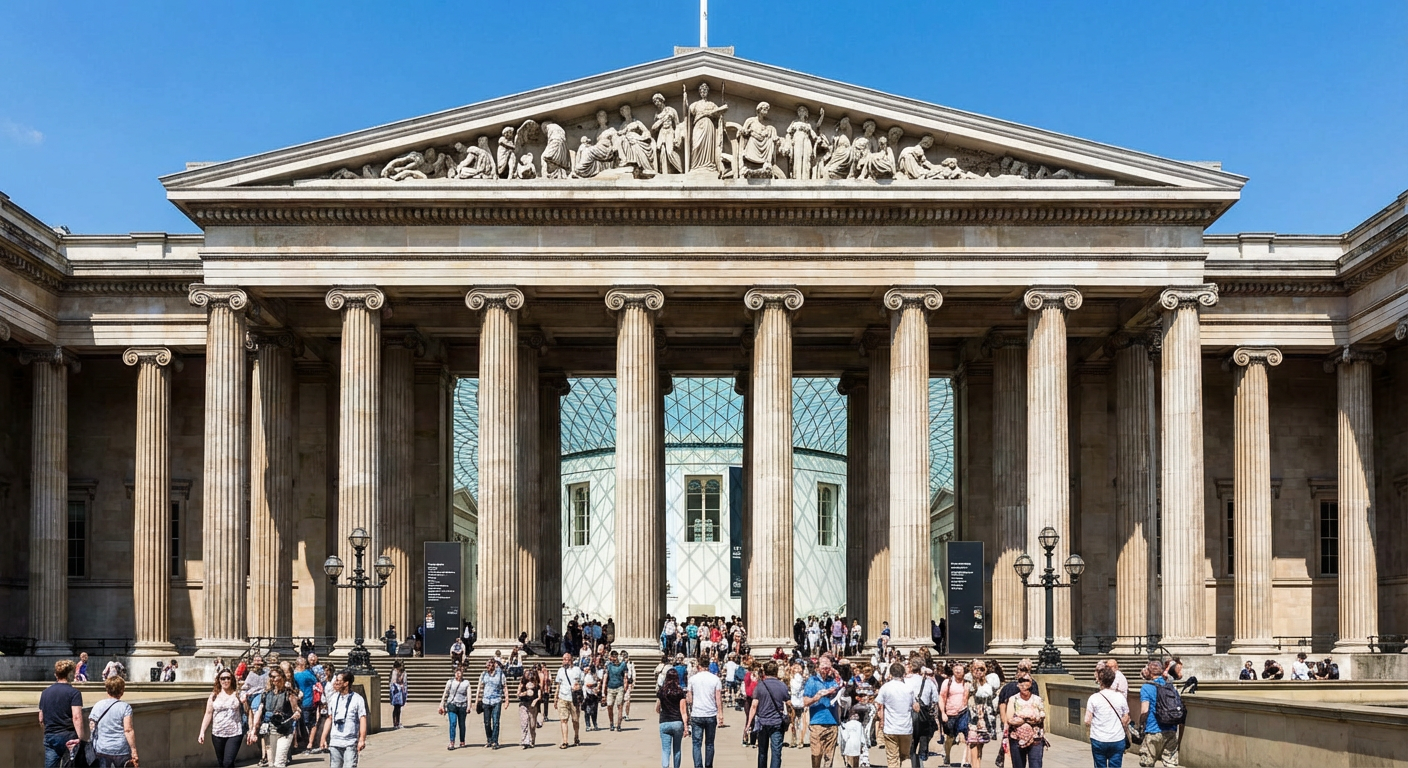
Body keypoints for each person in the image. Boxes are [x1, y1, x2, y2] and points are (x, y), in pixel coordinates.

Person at [249, 665, 300, 767]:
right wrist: (254, 729)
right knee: (271, 763)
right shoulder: (266, 693)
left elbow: (297, 710)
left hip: (284, 729)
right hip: (270, 729)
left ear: (281, 677)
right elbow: (260, 710)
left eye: (275, 676)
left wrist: (296, 714)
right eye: (271, 677)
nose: (273, 679)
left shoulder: (288, 693)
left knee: (279, 762)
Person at [747, 660, 792, 768]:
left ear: (765, 672)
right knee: (776, 753)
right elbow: (789, 704)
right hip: (777, 722)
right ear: (776, 672)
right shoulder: (782, 686)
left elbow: (754, 706)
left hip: (762, 722)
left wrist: (749, 723)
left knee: (762, 752)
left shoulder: (760, 686)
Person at [39, 659, 84, 768]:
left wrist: (48, 731)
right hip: (68, 735)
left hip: (50, 735)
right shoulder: (74, 693)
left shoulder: (45, 693)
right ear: (70, 674)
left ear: (56, 674)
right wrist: (81, 738)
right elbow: (76, 717)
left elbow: (41, 718)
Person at [197, 667, 244, 768]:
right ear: (219, 680)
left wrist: (245, 703)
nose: (225, 681)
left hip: (235, 733)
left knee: (228, 762)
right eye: (223, 678)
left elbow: (248, 711)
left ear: (232, 679)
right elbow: (208, 713)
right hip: (217, 733)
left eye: (228, 678)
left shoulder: (238, 694)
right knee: (222, 763)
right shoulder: (214, 696)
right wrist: (202, 732)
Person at [320, 671, 368, 768]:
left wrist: (362, 739)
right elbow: (330, 718)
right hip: (335, 742)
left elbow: (362, 719)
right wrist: (323, 738)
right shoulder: (333, 698)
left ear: (346, 683)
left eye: (338, 680)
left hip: (350, 743)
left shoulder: (357, 699)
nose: (336, 683)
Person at [1084, 665, 1130, 768]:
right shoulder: (1120, 697)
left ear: (1100, 681)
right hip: (1117, 738)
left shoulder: (1094, 698)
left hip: (1099, 738)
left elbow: (1087, 720)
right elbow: (1126, 717)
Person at [89, 674, 137, 768]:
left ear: (107, 689)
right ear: (122, 691)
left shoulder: (98, 705)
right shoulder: (125, 707)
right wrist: (134, 750)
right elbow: (128, 730)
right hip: (120, 749)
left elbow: (92, 726)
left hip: (101, 748)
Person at [874, 662, 916, 768]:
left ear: (891, 673)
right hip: (906, 727)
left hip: (890, 727)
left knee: (892, 758)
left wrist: (881, 719)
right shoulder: (909, 688)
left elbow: (878, 704)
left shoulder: (885, 687)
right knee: (905, 756)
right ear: (903, 673)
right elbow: (914, 705)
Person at [803, 656, 843, 768]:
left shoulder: (834, 681)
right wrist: (817, 697)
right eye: (823, 667)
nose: (826, 670)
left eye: (828, 667)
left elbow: (845, 686)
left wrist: (837, 676)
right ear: (818, 667)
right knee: (816, 753)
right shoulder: (812, 681)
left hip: (832, 722)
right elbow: (805, 701)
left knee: (829, 756)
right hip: (817, 722)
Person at [1138, 660, 1178, 767]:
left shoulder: (1146, 687)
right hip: (1171, 729)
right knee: (1170, 764)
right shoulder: (1171, 686)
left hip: (1153, 729)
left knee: (1147, 763)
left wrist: (1141, 724)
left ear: (1149, 672)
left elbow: (1144, 710)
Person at [687, 654, 724, 768]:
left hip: (697, 713)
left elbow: (689, 698)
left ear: (698, 665)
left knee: (696, 743)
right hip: (710, 713)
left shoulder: (692, 679)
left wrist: (691, 709)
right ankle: (708, 765)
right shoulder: (715, 679)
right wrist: (720, 713)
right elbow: (718, 698)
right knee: (709, 743)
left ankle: (698, 766)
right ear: (708, 665)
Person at [1005, 676, 1045, 768]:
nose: (1023, 685)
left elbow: (1042, 715)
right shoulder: (1013, 699)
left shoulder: (1037, 699)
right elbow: (1010, 719)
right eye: (1021, 681)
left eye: (1026, 681)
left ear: (1031, 685)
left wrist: (1022, 719)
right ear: (1018, 685)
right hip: (1017, 738)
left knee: (1036, 765)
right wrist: (1027, 719)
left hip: (1036, 738)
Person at [966, 660, 999, 768]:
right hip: (973, 716)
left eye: (982, 669)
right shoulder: (969, 682)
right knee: (973, 743)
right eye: (977, 669)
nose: (979, 671)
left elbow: (993, 698)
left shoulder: (990, 682)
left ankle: (977, 765)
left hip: (985, 718)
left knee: (980, 745)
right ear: (972, 669)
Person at [656, 668, 689, 768]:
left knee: (665, 750)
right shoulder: (680, 692)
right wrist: (686, 726)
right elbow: (683, 711)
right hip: (677, 723)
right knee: (677, 749)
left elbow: (657, 708)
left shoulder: (662, 692)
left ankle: (665, 766)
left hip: (664, 722)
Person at [939, 663, 970, 767]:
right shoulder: (947, 682)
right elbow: (942, 697)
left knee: (967, 737)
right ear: (952, 670)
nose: (957, 671)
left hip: (963, 713)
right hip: (950, 713)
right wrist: (943, 713)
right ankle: (947, 756)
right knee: (950, 737)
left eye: (960, 670)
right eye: (956, 669)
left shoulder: (967, 683)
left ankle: (966, 760)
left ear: (964, 672)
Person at [439, 664, 471, 750]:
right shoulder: (450, 682)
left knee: (462, 724)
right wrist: (442, 704)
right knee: (452, 723)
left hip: (462, 705)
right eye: (456, 672)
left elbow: (469, 695)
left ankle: (462, 741)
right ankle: (452, 742)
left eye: (459, 672)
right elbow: (445, 693)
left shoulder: (466, 683)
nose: (457, 673)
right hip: (452, 704)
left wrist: (469, 706)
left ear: (462, 673)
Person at [556, 652, 584, 748]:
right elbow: (558, 685)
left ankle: (576, 736)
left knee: (575, 720)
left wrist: (579, 686)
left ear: (571, 659)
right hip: (562, 697)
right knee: (563, 720)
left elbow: (582, 682)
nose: (564, 661)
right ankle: (565, 741)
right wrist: (555, 698)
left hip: (574, 698)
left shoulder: (577, 670)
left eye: (566, 659)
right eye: (563, 659)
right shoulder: (560, 671)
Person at [477, 656, 507, 747]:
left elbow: (504, 686)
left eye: (489, 664)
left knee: (496, 721)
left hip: (497, 700)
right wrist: (477, 699)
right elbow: (480, 686)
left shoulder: (500, 674)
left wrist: (507, 699)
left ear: (494, 664)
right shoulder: (484, 674)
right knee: (486, 722)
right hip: (486, 700)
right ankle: (489, 739)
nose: (488, 666)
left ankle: (495, 741)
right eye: (487, 665)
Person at [293, 657, 321, 751]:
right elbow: (316, 682)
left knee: (301, 724)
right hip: (309, 701)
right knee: (311, 723)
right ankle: (310, 743)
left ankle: (304, 743)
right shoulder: (307, 673)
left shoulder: (293, 675)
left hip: (297, 702)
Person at [517, 668, 543, 748]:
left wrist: (535, 700)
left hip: (532, 706)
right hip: (523, 704)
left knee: (532, 725)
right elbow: (518, 694)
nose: (529, 676)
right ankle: (525, 741)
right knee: (524, 723)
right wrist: (525, 693)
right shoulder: (522, 684)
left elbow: (539, 696)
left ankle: (532, 739)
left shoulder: (537, 685)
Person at [606, 650, 630, 731]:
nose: (612, 658)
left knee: (620, 706)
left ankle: (619, 724)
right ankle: (611, 723)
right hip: (610, 687)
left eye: (613, 657)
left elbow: (625, 676)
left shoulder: (623, 665)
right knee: (609, 705)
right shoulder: (608, 665)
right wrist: (603, 689)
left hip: (619, 687)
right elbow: (606, 677)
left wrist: (625, 686)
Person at [582, 660, 602, 731]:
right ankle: (588, 725)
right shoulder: (588, 676)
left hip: (594, 695)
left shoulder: (595, 676)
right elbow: (588, 685)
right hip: (588, 695)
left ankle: (595, 724)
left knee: (594, 711)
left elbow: (599, 682)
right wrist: (595, 684)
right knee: (587, 711)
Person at [388, 660, 407, 729]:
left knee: (399, 708)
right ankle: (395, 723)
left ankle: (398, 722)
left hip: (401, 691)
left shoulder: (403, 672)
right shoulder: (394, 672)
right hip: (395, 691)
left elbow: (404, 682)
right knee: (396, 707)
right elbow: (393, 681)